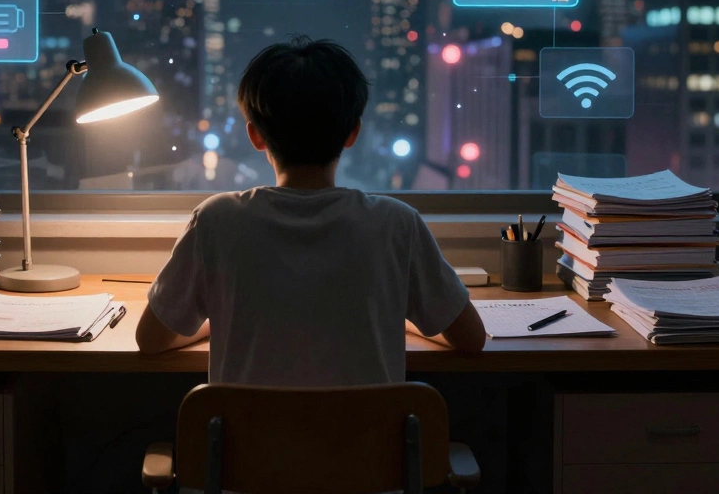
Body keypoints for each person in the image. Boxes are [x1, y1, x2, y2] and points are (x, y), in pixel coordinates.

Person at [136, 37, 487, 386]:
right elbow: (471, 339)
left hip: (253, 443)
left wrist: (219, 319)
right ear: (352, 133)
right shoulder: (397, 224)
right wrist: (397, 315)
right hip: (363, 443)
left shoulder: (216, 220)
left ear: (255, 136)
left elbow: (151, 340)